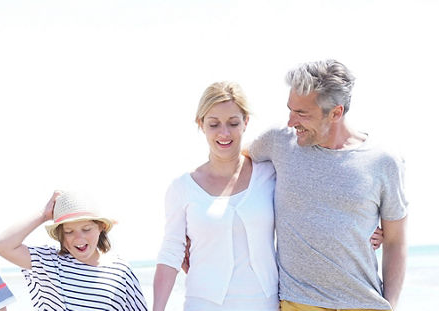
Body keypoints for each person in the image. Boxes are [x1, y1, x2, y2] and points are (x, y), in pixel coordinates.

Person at [248, 60, 408, 311]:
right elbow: (229, 169)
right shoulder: (278, 142)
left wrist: (392, 305)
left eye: (302, 113)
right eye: (290, 109)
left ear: (335, 113)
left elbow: (397, 241)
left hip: (366, 303)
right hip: (299, 303)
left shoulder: (383, 160)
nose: (291, 121)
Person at [152, 82, 280, 311]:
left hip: (264, 303)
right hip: (203, 304)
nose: (224, 133)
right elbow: (171, 252)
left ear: (246, 122)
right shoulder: (182, 187)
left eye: (233, 123)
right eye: (214, 124)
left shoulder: (270, 174)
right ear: (200, 124)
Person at [0, 191, 149, 311]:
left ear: (101, 227)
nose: (78, 238)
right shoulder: (48, 262)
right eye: (69, 232)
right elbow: (2, 245)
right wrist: (43, 215)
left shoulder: (120, 271)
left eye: (86, 229)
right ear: (61, 234)